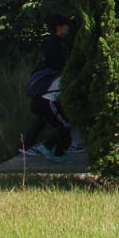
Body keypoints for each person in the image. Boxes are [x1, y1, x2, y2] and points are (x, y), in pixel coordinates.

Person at [20, 16, 73, 162]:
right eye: (66, 26)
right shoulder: (52, 44)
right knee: (63, 125)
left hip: (45, 96)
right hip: (46, 95)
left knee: (56, 122)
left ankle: (57, 153)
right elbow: (54, 62)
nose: (68, 30)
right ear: (59, 27)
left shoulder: (58, 43)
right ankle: (45, 147)